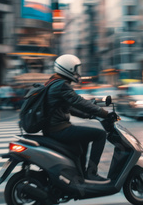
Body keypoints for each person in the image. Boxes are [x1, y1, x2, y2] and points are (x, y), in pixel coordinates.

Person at [42, 54, 111, 182]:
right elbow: (78, 102)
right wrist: (104, 113)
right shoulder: (61, 85)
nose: (78, 73)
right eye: (76, 69)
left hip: (53, 128)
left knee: (83, 139)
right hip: (58, 129)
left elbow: (70, 108)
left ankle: (80, 174)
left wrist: (90, 115)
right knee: (100, 134)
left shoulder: (53, 83)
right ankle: (91, 173)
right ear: (68, 69)